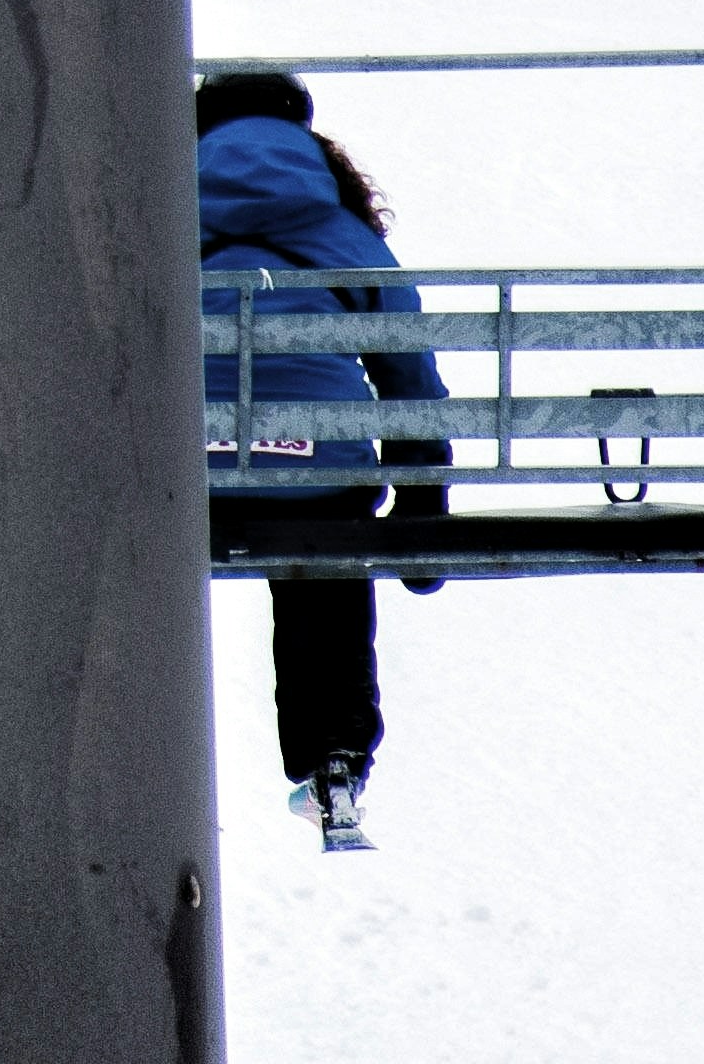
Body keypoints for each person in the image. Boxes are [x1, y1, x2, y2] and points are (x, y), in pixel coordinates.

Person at [196, 69, 455, 853]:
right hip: (319, 476)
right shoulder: (343, 235)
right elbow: (409, 379)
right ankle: (333, 758)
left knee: (135, 555)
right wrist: (421, 505)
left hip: (179, 477)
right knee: (329, 552)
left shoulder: (146, 213)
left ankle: (115, 732)